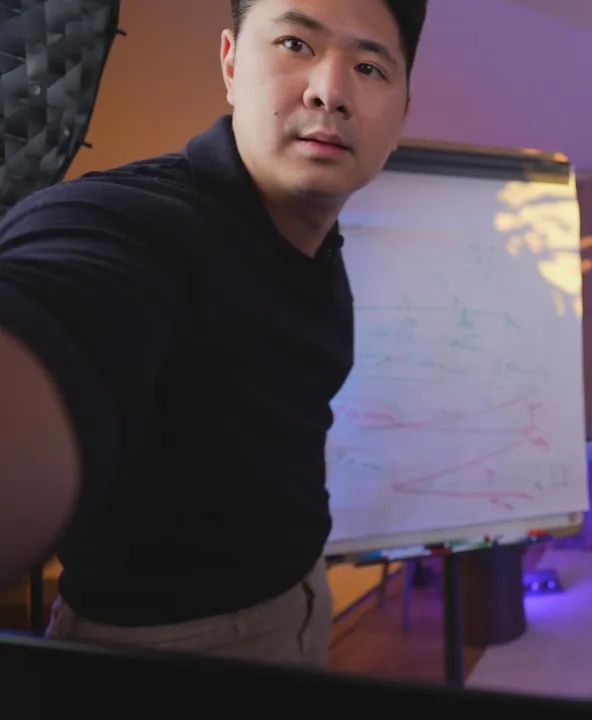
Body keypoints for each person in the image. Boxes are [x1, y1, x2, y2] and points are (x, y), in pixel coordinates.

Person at [0, 0, 425, 667]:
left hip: (303, 597)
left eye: (370, 67)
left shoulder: (317, 238)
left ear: (400, 116)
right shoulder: (132, 224)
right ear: (230, 64)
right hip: (167, 650)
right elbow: (62, 301)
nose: (330, 91)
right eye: (295, 44)